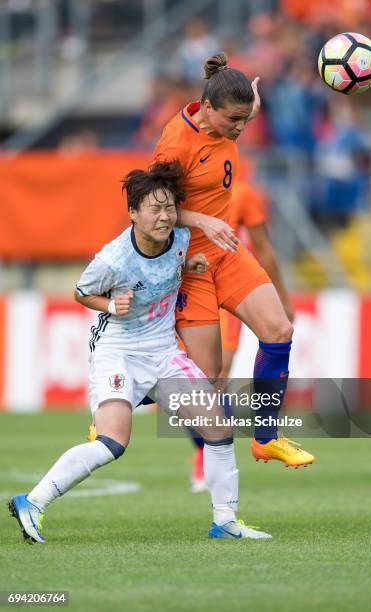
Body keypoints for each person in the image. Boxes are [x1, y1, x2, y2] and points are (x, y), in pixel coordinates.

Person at [8, 161, 271, 542]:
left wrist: (191, 266)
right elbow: (81, 292)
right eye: (154, 209)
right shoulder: (113, 259)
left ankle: (226, 521)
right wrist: (113, 306)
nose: (164, 217)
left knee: (218, 426)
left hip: (163, 353)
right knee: (112, 443)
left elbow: (169, 269)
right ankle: (33, 501)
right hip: (118, 353)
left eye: (169, 208)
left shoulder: (181, 240)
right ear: (133, 213)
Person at [153, 52, 314, 467]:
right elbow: (148, 207)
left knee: (279, 329)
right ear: (207, 109)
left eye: (246, 119)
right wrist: (202, 220)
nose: (241, 129)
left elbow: (242, 111)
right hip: (190, 267)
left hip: (227, 254)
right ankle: (122, 394)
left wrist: (251, 105)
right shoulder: (175, 144)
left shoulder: (228, 115)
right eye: (234, 121)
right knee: (209, 382)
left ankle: (266, 438)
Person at [189, 177, 295, 492]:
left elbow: (263, 249)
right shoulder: (183, 195)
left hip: (227, 287)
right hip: (190, 288)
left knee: (218, 374)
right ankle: (201, 451)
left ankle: (213, 459)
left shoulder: (244, 194)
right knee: (189, 378)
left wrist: (282, 300)